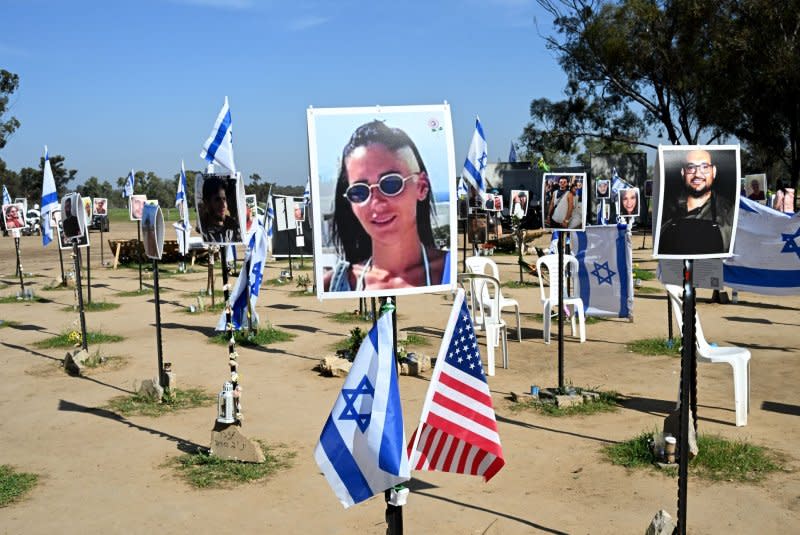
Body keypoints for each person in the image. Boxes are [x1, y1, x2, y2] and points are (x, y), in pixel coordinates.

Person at [324, 120, 449, 292]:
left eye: (391, 184)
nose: (377, 203)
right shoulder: (333, 284)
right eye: (359, 192)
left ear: (421, 187)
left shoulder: (450, 273)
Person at [658, 149, 733, 255]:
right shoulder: (665, 209)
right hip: (673, 269)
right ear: (683, 172)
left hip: (712, 269)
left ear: (714, 172)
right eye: (691, 167)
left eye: (705, 167)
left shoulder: (729, 211)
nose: (697, 174)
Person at [199, 176, 241, 243]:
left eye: (224, 199)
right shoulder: (203, 231)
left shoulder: (235, 228)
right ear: (206, 202)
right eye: (217, 200)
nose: (223, 205)